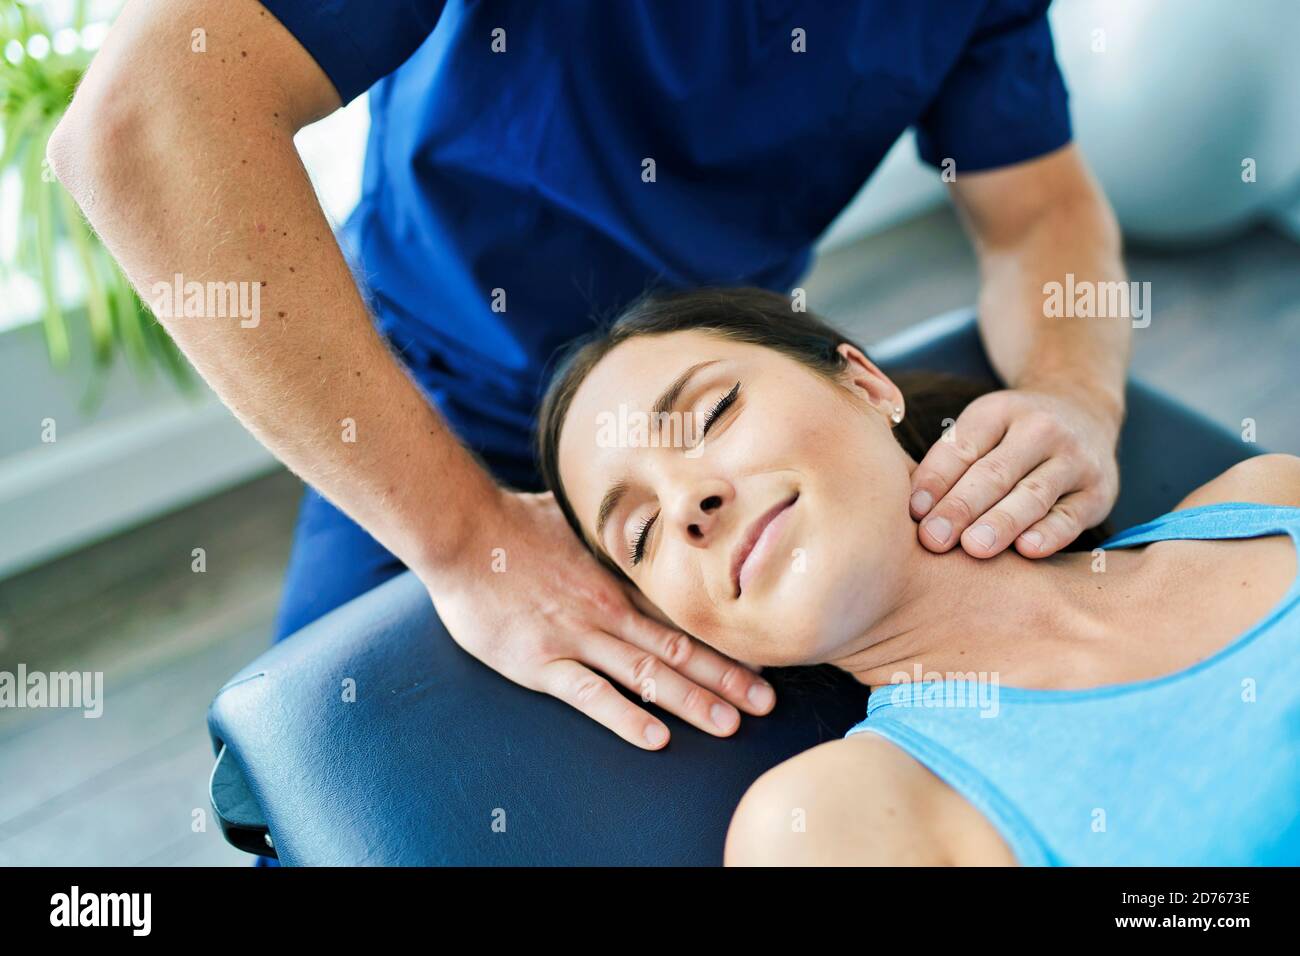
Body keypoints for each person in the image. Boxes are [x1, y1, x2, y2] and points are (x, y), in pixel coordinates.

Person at [49, 0, 1128, 751]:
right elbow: (144, 124)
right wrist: (465, 540)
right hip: (440, 395)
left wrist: (1075, 392)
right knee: (321, 771)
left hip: (711, 391)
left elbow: (1039, 213)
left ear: (862, 379)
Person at [536, 286, 1300, 866]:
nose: (687, 505)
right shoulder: (825, 827)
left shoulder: (1268, 501)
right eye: (640, 535)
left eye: (712, 415)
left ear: (866, 386)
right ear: (687, 622)